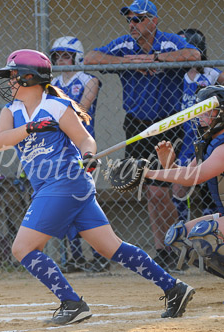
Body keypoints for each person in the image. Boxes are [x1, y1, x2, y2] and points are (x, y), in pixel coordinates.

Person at [0, 48, 195, 325]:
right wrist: (31, 128)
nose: (10, 81)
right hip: (54, 188)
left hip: (64, 182)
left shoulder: (56, 107)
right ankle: (174, 287)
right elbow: (0, 141)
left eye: (14, 75)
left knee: (23, 248)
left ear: (31, 77)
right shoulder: (11, 110)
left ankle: (72, 302)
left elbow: (86, 141)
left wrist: (87, 156)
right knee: (111, 247)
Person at [83, 0, 201, 270]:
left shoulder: (169, 43)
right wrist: (128, 61)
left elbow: (193, 55)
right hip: (137, 125)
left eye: (139, 19)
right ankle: (163, 250)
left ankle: (178, 245)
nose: (132, 24)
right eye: (130, 20)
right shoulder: (125, 45)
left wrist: (155, 59)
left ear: (154, 21)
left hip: (167, 125)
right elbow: (91, 57)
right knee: (150, 191)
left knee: (162, 192)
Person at [145, 85, 224, 278]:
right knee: (180, 236)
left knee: (204, 234)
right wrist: (169, 166)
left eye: (208, 112)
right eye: (200, 112)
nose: (201, 117)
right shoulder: (209, 143)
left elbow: (198, 176)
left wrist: (147, 173)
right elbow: (189, 176)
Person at [49, 36, 107, 273]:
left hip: (83, 151)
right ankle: (74, 257)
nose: (61, 60)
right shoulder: (51, 82)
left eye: (66, 55)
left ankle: (100, 255)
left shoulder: (89, 80)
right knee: (65, 203)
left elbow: (81, 110)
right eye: (57, 56)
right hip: (59, 150)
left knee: (84, 202)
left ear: (77, 58)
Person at [171, 29, 224, 222]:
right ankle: (182, 226)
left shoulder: (210, 73)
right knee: (179, 186)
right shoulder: (180, 75)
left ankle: (210, 230)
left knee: (208, 186)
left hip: (208, 136)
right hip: (187, 138)